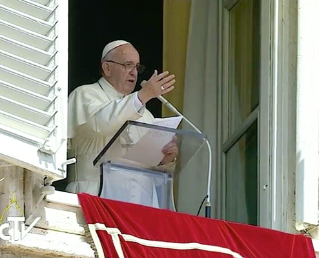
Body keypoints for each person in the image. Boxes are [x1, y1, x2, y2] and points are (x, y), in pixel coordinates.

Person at [66, 40, 178, 207]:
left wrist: (166, 159)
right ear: (107, 68)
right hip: (94, 197)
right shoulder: (85, 95)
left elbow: (157, 174)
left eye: (137, 67)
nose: (134, 73)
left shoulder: (146, 116)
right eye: (128, 65)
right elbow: (101, 124)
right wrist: (142, 96)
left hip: (139, 205)